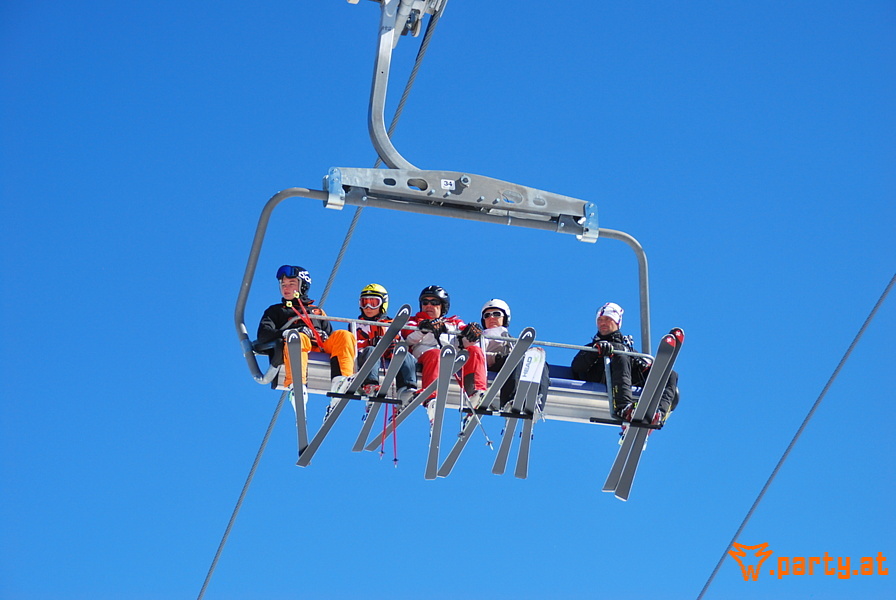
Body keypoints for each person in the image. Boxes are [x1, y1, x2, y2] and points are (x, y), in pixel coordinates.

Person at [571, 302, 678, 424]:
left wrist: (645, 367)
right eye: (599, 320)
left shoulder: (627, 349)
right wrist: (595, 352)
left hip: (625, 378)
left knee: (670, 375)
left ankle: (658, 414)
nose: (602, 323)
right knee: (620, 353)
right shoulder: (593, 347)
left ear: (617, 322)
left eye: (607, 319)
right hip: (602, 379)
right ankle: (623, 408)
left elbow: (636, 367)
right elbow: (576, 367)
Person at [256, 265, 356, 393]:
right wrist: (287, 333)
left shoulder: (316, 312)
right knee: (298, 338)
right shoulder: (276, 311)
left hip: (320, 348)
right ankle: (296, 385)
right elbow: (263, 334)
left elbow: (333, 338)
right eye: (283, 284)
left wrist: (324, 336)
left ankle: (341, 380)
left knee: (343, 335)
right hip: (297, 348)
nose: (286, 288)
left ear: (302, 286)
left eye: (291, 284)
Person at [404, 285, 488, 422]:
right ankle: (432, 398)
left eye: (434, 302)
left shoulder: (453, 322)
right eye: (425, 302)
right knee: (435, 353)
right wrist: (424, 328)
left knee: (475, 350)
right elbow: (408, 338)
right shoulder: (415, 321)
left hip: (452, 359)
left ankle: (476, 392)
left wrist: (472, 333)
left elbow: (462, 338)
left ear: (443, 306)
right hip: (426, 358)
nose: (429, 306)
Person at [479, 298, 551, 411]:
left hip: (512, 364)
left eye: (496, 314)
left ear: (505, 318)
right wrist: (495, 357)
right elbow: (478, 354)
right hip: (494, 364)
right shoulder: (483, 335)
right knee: (515, 359)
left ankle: (537, 403)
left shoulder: (510, 338)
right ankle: (509, 401)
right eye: (487, 315)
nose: (491, 317)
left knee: (540, 363)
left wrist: (531, 355)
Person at [355, 283, 417, 401]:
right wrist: (370, 342)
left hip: (389, 355)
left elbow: (402, 341)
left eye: (373, 303)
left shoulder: (391, 324)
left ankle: (406, 389)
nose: (368, 307)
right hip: (368, 356)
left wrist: (396, 345)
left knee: (405, 354)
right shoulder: (357, 325)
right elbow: (354, 344)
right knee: (371, 350)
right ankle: (370, 384)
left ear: (383, 304)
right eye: (364, 303)